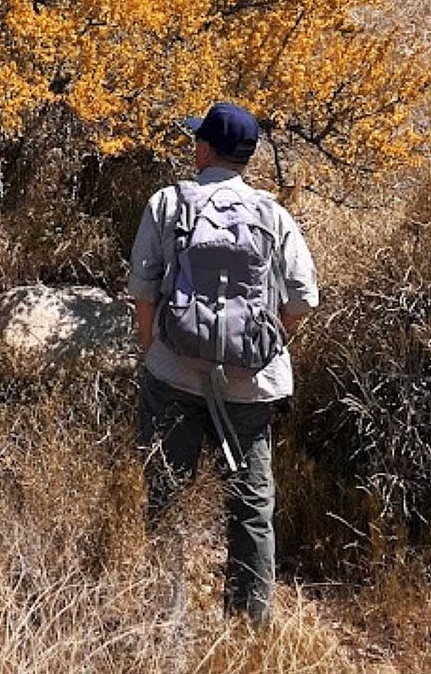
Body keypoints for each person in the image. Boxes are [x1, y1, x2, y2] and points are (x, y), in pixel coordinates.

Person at [128, 102, 318, 624]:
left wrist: (152, 348)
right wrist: (267, 341)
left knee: (167, 495)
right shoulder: (273, 214)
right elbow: (304, 298)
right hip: (249, 386)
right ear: (247, 158)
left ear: (206, 148)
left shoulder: (168, 203)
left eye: (197, 141)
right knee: (252, 506)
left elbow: (143, 290)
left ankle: (166, 623)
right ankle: (247, 625)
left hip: (173, 374)